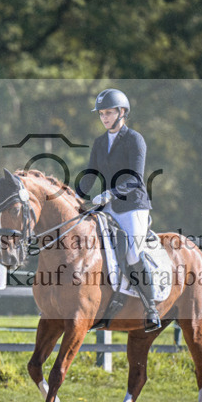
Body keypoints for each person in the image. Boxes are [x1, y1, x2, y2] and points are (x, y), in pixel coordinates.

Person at [78, 88, 162, 332]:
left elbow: (135, 178)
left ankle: (151, 307)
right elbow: (90, 175)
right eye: (101, 113)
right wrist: (74, 196)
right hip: (108, 207)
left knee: (133, 253)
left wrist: (111, 193)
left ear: (122, 112)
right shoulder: (99, 142)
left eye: (108, 112)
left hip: (133, 205)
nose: (104, 117)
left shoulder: (134, 139)